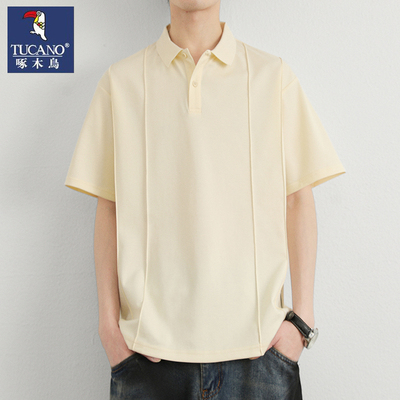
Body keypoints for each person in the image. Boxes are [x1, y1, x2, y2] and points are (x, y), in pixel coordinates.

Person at [64, 1, 346, 399]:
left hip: (259, 352)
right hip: (148, 354)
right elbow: (109, 206)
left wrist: (302, 322)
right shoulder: (121, 81)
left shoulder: (271, 76)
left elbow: (298, 198)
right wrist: (109, 327)